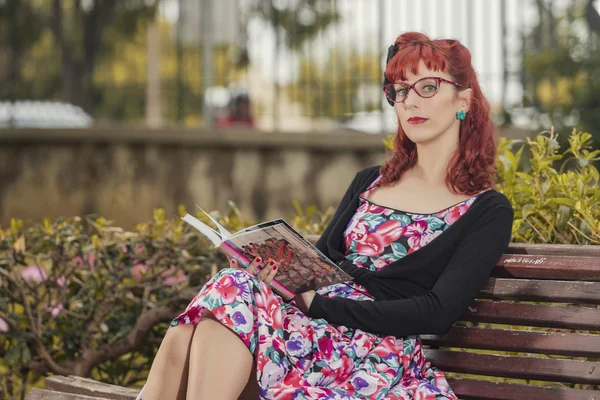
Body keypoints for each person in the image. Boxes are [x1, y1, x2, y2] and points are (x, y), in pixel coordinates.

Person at [138, 31, 514, 400]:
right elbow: (320, 265)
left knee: (227, 298)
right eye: (399, 91)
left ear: (463, 99)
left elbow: (436, 312)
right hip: (312, 332)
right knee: (229, 291)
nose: (409, 102)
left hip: (373, 354)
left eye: (427, 87)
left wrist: (319, 306)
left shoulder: (487, 209)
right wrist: (278, 278)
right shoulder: (370, 182)